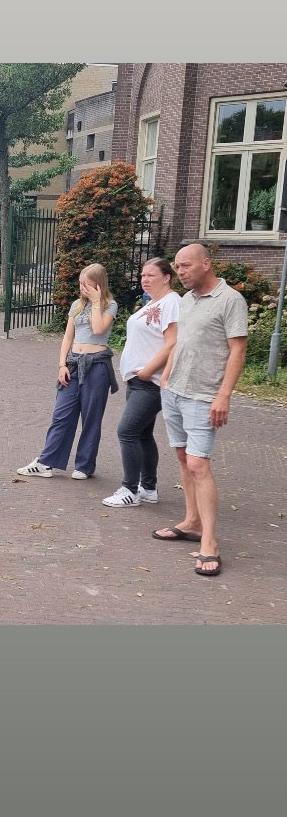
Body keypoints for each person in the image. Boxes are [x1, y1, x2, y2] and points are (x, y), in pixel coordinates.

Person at [152, 242, 248, 577]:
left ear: (206, 264)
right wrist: (166, 375)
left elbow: (237, 351)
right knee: (182, 457)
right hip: (174, 391)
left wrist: (224, 396)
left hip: (203, 395)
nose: (179, 272)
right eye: (177, 266)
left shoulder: (230, 299)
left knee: (198, 464)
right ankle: (191, 522)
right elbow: (180, 341)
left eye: (185, 266)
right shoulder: (187, 300)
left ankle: (210, 542)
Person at [17, 263, 118, 480]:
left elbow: (98, 329)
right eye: (80, 283)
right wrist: (62, 365)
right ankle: (46, 462)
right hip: (73, 364)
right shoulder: (76, 305)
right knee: (61, 414)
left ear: (98, 285)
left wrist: (96, 302)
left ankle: (84, 466)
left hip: (97, 366)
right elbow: (68, 337)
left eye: (87, 284)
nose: (82, 288)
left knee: (91, 418)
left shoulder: (110, 305)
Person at [102, 257, 180, 508]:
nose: (145, 279)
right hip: (138, 381)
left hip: (151, 382)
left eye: (151, 275)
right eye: (143, 275)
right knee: (143, 434)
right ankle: (148, 488)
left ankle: (130, 489)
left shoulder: (172, 302)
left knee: (127, 431)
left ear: (166, 277)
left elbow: (173, 342)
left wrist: (148, 371)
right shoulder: (153, 302)